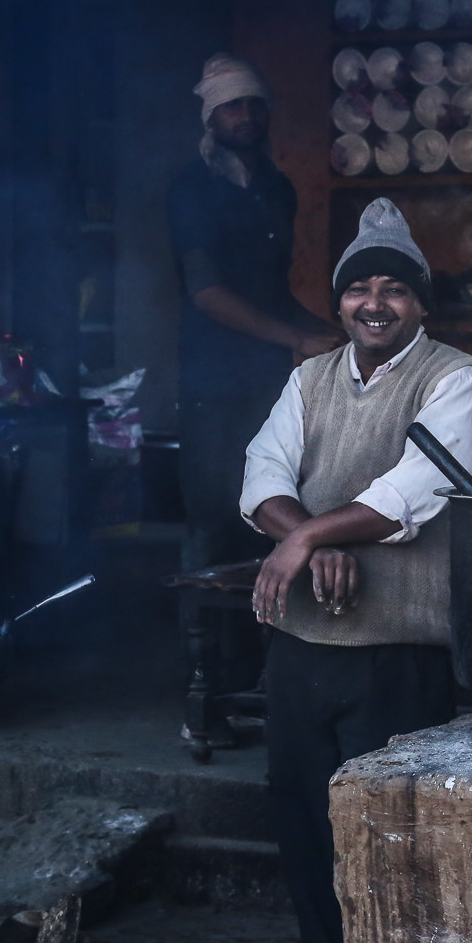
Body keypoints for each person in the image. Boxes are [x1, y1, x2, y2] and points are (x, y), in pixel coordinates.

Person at [240, 198, 472, 943]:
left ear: (420, 304)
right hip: (300, 658)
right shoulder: (309, 379)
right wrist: (309, 541)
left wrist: (304, 539)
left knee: (394, 851)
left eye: (394, 289)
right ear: (341, 301)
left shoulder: (455, 379)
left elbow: (409, 494)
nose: (374, 304)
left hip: (399, 661)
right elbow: (259, 480)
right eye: (360, 290)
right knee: (309, 846)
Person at [168, 52, 343, 572]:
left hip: (265, 378)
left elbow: (271, 289)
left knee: (265, 504)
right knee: (211, 514)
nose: (245, 115)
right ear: (211, 119)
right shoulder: (192, 189)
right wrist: (294, 338)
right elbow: (207, 293)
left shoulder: (275, 188)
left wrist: (329, 333)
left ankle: (259, 638)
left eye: (253, 105)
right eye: (231, 107)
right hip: (211, 377)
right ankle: (201, 651)